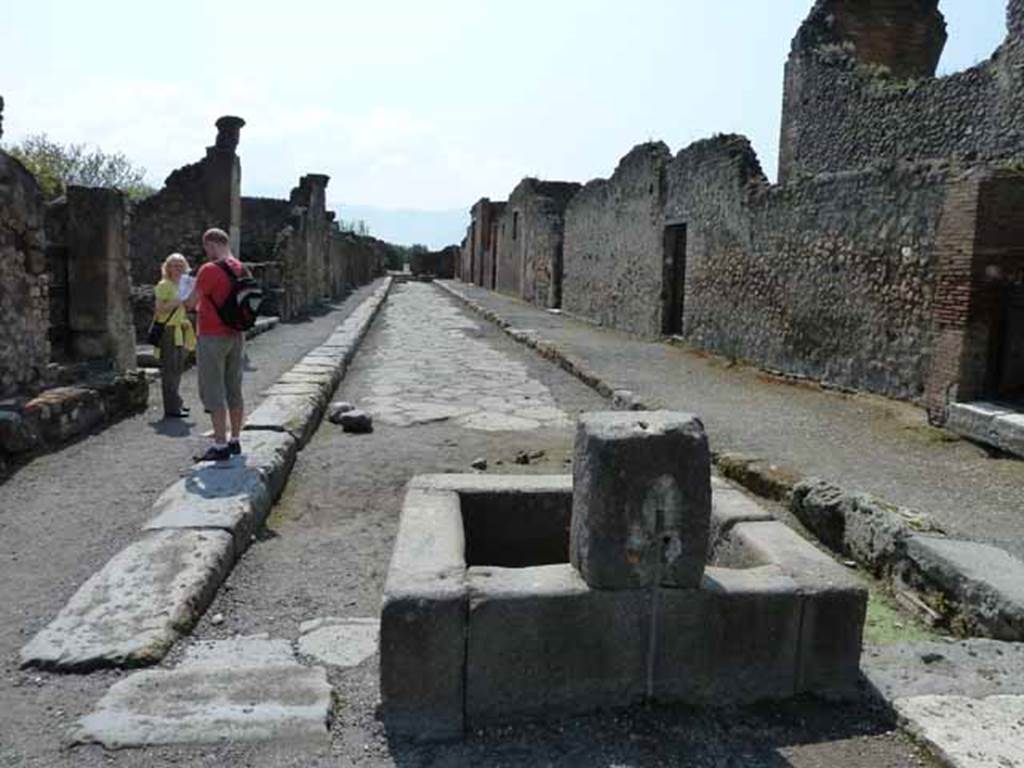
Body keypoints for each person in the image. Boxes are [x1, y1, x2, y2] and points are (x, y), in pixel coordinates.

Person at [186, 228, 246, 462]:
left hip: (212, 335)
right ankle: (235, 440)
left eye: (206, 248)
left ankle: (220, 445)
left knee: (213, 389)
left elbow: (192, 303)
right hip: (236, 335)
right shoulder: (240, 267)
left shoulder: (209, 269)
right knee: (234, 388)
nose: (206, 252)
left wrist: (184, 296)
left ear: (211, 244)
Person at [153, 253, 196, 418]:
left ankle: (176, 402)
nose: (177, 268)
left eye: (180, 265)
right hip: (169, 330)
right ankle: (171, 408)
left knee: (177, 369)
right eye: (174, 265)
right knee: (170, 370)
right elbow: (159, 309)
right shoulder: (164, 285)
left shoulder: (183, 285)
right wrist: (179, 299)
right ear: (168, 267)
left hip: (180, 329)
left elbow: (189, 306)